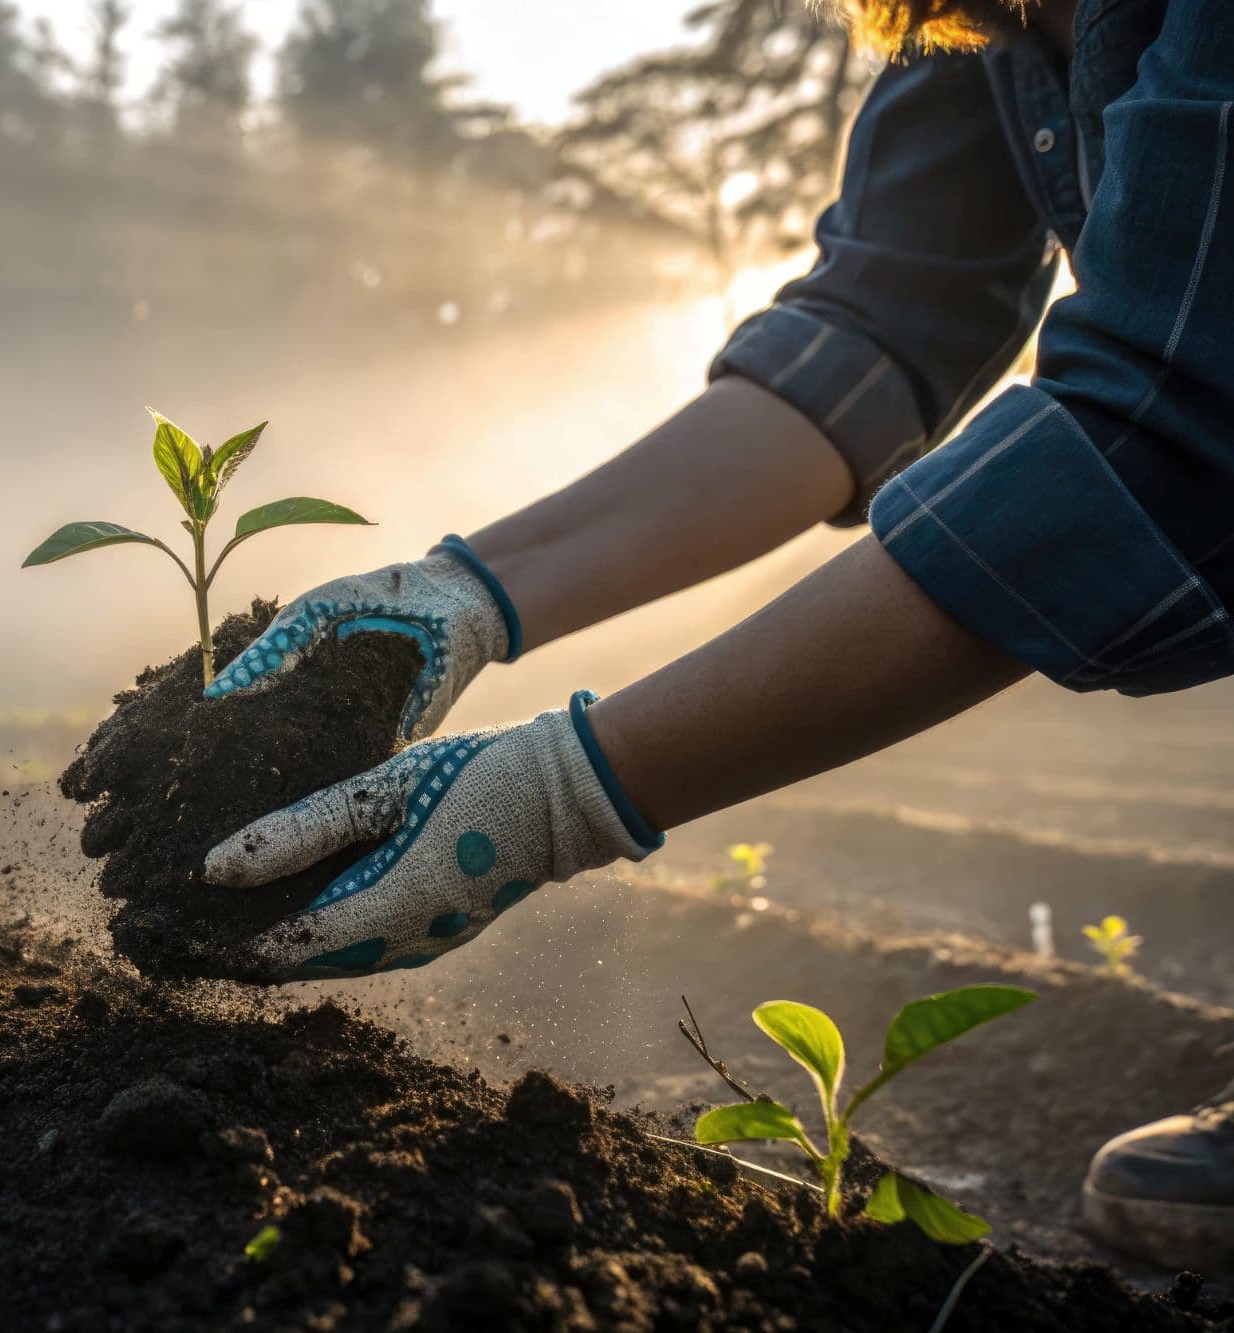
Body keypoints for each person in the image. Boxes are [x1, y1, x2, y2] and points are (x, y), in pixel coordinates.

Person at [198, 0, 1232, 1275]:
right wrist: (465, 592)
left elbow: (1160, 421)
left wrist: (554, 794)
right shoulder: (993, 24)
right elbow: (875, 329)